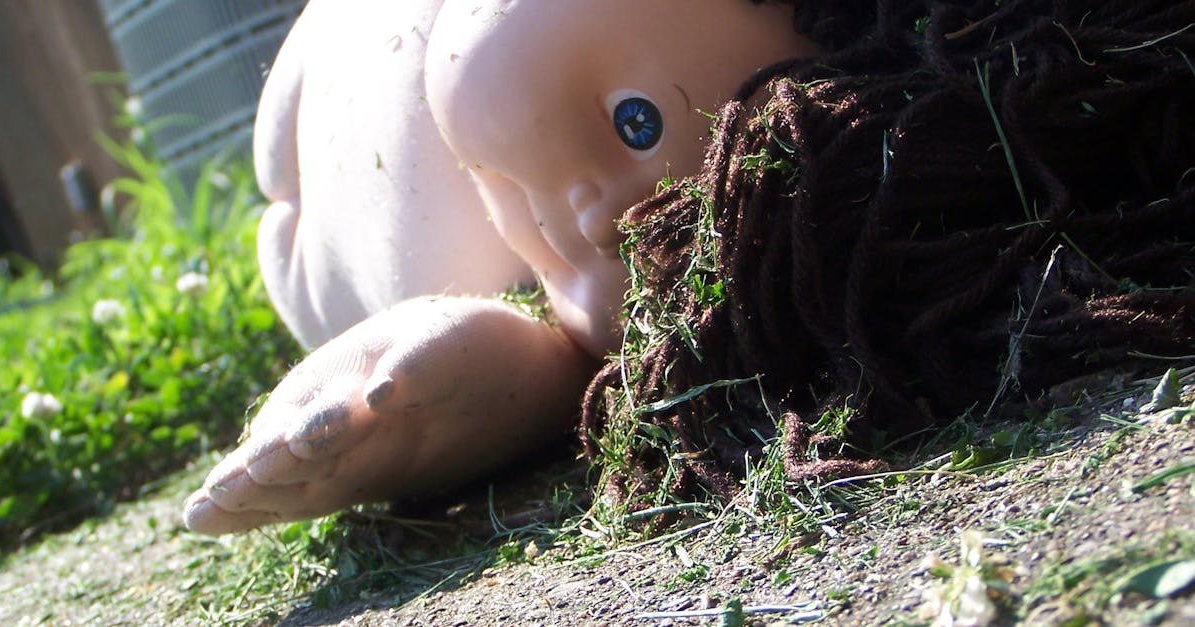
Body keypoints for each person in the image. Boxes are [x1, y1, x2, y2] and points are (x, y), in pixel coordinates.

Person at [182, 0, 816, 535]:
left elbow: (539, 367)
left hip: (315, 257)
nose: (602, 224)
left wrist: (499, 366)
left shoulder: (534, 282)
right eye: (636, 122)